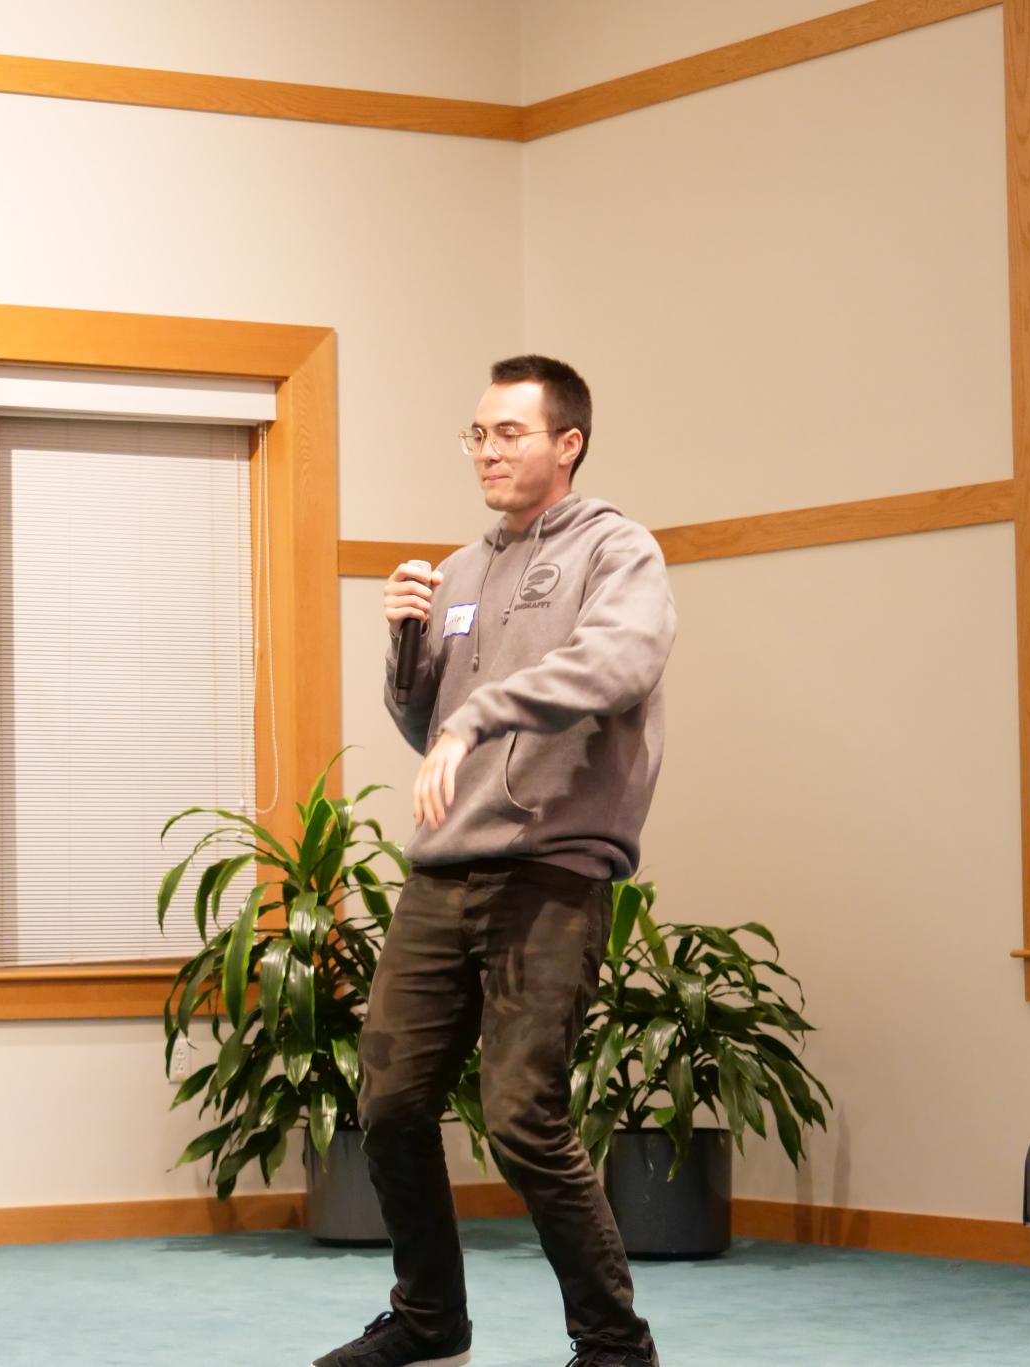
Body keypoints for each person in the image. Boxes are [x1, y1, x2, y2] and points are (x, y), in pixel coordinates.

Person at [314, 357, 675, 1367]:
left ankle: (613, 1342)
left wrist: (478, 710)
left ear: (565, 443)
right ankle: (429, 1322)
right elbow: (426, 721)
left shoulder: (618, 551)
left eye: (507, 432)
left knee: (522, 1115)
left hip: (551, 867)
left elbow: (620, 662)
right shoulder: (457, 571)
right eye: (475, 433)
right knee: (388, 1102)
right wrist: (403, 648)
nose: (485, 450)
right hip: (443, 871)